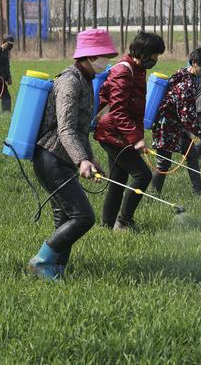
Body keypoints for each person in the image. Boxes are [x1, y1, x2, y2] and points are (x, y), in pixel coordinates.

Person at [27, 28, 118, 280]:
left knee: (65, 217)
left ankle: (55, 271)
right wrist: (81, 160)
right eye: (103, 55)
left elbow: (81, 129)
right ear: (88, 57)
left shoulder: (85, 79)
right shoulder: (69, 81)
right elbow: (65, 128)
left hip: (62, 158)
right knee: (83, 217)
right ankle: (41, 261)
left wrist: (90, 158)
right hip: (51, 158)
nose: (106, 61)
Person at [94, 31, 165, 232]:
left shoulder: (138, 69)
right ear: (143, 52)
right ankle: (124, 222)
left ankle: (107, 226)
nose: (156, 59)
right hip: (112, 134)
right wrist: (136, 139)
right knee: (142, 175)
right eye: (154, 54)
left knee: (118, 180)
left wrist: (136, 137)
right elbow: (117, 112)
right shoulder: (123, 72)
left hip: (120, 134)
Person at [150, 48, 201, 195]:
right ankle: (153, 194)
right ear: (194, 63)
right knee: (163, 163)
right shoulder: (185, 84)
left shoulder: (188, 76)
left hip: (178, 127)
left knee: (191, 155)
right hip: (166, 127)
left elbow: (185, 115)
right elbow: (186, 115)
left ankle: (198, 189)